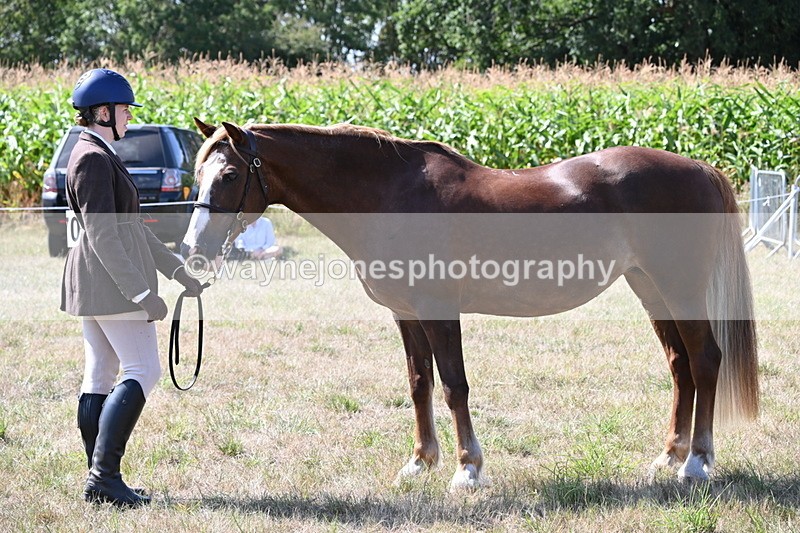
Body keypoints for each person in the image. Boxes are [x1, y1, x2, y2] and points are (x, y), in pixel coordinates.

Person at [61, 68, 203, 507]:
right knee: (144, 369)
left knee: (101, 372)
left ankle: (98, 478)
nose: (128, 117)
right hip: (111, 284)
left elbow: (132, 227)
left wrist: (176, 271)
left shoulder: (97, 152)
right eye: (124, 110)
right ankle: (104, 478)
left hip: (95, 283)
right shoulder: (92, 158)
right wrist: (141, 293)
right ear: (102, 112)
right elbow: (105, 235)